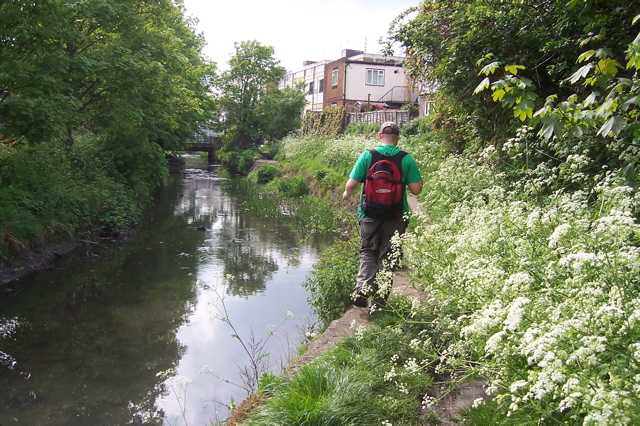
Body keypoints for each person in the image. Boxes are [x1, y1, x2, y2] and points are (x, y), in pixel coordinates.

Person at [343, 121, 423, 310]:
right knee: (388, 258)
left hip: (369, 213)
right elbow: (416, 190)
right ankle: (379, 303)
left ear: (380, 136)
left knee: (368, 251)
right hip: (396, 215)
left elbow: (351, 184)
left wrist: (346, 194)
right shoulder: (406, 159)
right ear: (398, 138)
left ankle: (363, 288)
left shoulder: (368, 155)